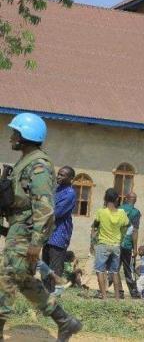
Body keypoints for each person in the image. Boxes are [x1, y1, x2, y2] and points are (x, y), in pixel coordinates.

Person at [0, 113, 82, 341]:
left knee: (6, 275)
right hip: (19, 228)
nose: (11, 138)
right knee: (23, 280)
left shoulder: (38, 165)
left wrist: (36, 243)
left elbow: (45, 207)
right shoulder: (26, 161)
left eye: (15, 133)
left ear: (26, 136)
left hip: (26, 231)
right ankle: (66, 321)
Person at [90, 188, 129, 300]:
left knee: (100, 271)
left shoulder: (101, 212)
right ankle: (117, 298)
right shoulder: (122, 213)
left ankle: (104, 297)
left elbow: (95, 227)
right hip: (116, 245)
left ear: (105, 199)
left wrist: (93, 243)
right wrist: (121, 237)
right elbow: (126, 226)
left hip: (102, 245)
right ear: (117, 199)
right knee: (115, 272)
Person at [42, 165, 76, 293]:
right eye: (59, 174)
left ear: (71, 178)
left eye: (63, 175)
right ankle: (45, 295)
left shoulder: (70, 193)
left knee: (55, 267)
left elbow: (57, 213)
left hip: (59, 234)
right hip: (47, 233)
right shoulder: (56, 190)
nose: (59, 176)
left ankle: (54, 296)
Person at [117, 192, 142, 298]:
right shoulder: (135, 212)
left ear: (125, 198)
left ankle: (119, 291)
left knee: (114, 269)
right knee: (129, 269)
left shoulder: (118, 209)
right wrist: (135, 248)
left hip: (116, 243)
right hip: (127, 245)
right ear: (135, 200)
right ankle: (134, 292)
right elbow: (135, 231)